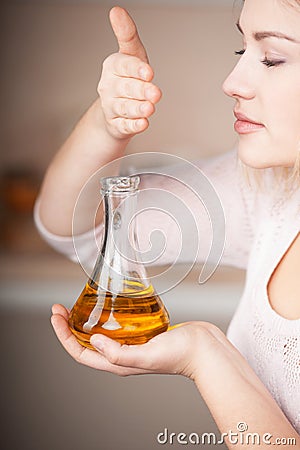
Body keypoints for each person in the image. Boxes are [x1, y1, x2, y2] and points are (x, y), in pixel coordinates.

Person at [34, 1, 300, 447]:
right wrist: (107, 125)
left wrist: (205, 355)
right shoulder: (277, 191)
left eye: (272, 57)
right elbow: (81, 228)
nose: (232, 83)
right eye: (242, 52)